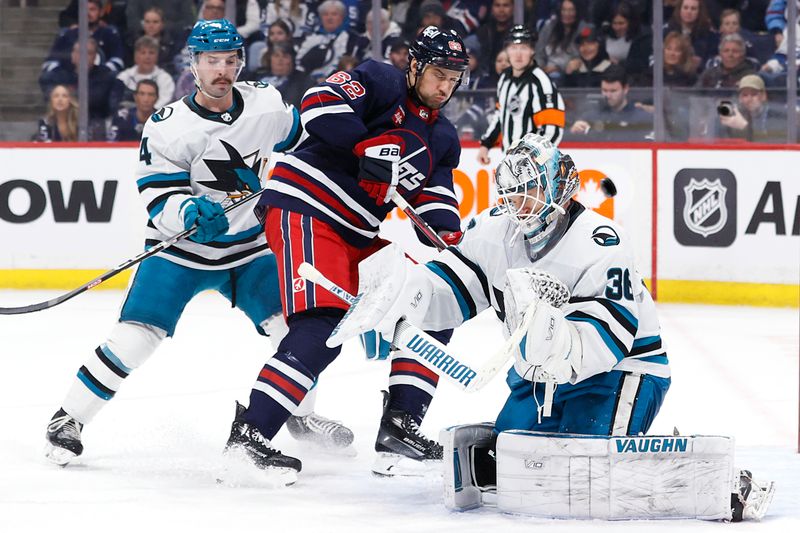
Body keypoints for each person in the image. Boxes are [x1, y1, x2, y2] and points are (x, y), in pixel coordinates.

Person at [335, 133, 774, 522]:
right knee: (510, 464)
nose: (516, 205)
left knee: (583, 472)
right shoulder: (495, 232)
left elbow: (610, 340)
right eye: (511, 194)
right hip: (535, 375)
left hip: (621, 373)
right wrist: (406, 300)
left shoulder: (602, 242)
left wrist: (554, 339)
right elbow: (455, 288)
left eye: (527, 193)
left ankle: (714, 480)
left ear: (559, 189)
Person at [43, 19, 352, 466]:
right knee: (134, 339)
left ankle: (301, 415)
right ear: (193, 64)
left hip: (249, 251)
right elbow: (156, 192)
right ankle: (67, 418)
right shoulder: (168, 125)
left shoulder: (266, 103)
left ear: (240, 63)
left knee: (294, 330)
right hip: (181, 253)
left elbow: (306, 140)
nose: (221, 70)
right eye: (211, 61)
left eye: (229, 61)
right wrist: (186, 212)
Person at [226, 25, 470, 483]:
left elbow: (435, 198)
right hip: (306, 207)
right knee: (323, 323)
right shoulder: (381, 80)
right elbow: (319, 104)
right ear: (415, 65)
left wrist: (452, 239)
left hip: (359, 232)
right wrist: (364, 148)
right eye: (438, 72)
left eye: (454, 78)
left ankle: (401, 425)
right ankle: (249, 437)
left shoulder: (443, 137)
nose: (444, 86)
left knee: (436, 302)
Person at [479, 25, 565, 164]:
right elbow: (500, 116)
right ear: (507, 50)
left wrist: (535, 160)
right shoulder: (504, 79)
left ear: (532, 51)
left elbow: (552, 130)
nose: (518, 54)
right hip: (510, 161)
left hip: (534, 165)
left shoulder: (541, 83)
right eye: (513, 48)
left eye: (524, 48)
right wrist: (486, 144)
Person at [39, 38, 117, 141]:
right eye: (80, 52)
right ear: (73, 55)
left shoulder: (105, 76)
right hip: (64, 121)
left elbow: (99, 100)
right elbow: (45, 84)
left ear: (95, 57)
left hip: (96, 126)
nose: (83, 57)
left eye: (88, 53)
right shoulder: (60, 74)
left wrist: (72, 96)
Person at [568, 65, 651, 141]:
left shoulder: (642, 118)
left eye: (613, 91)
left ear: (625, 89)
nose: (608, 95)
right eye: (604, 90)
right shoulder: (590, 117)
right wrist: (573, 132)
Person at [42, 0, 125, 74]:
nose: (87, 13)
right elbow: (50, 62)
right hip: (70, 82)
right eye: (84, 10)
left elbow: (118, 61)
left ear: (101, 12)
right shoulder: (67, 34)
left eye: (92, 9)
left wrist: (100, 72)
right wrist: (63, 75)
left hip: (101, 82)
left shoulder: (109, 33)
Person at [112, 36, 176, 110]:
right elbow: (116, 103)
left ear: (157, 56)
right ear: (136, 56)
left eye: (151, 53)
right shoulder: (123, 77)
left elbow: (164, 104)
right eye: (143, 53)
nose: (147, 57)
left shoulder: (165, 79)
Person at [717, 74, 786, 142]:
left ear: (763, 96)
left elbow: (771, 146)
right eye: (745, 95)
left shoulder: (777, 116)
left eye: (754, 94)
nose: (749, 99)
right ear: (740, 98)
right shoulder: (734, 116)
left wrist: (743, 126)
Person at [535, 0, 588, 81]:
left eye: (571, 10)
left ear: (577, 11)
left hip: (573, 75)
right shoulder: (549, 27)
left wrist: (559, 68)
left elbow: (586, 54)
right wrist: (541, 69)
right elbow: (539, 53)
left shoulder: (584, 29)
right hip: (546, 73)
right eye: (564, 10)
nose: (567, 14)